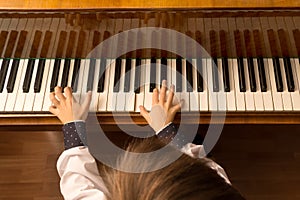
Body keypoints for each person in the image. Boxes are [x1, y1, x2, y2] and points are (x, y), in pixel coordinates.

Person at [50, 80, 245, 200]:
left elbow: (79, 189)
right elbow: (208, 170)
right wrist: (166, 130)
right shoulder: (217, 192)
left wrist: (73, 125)